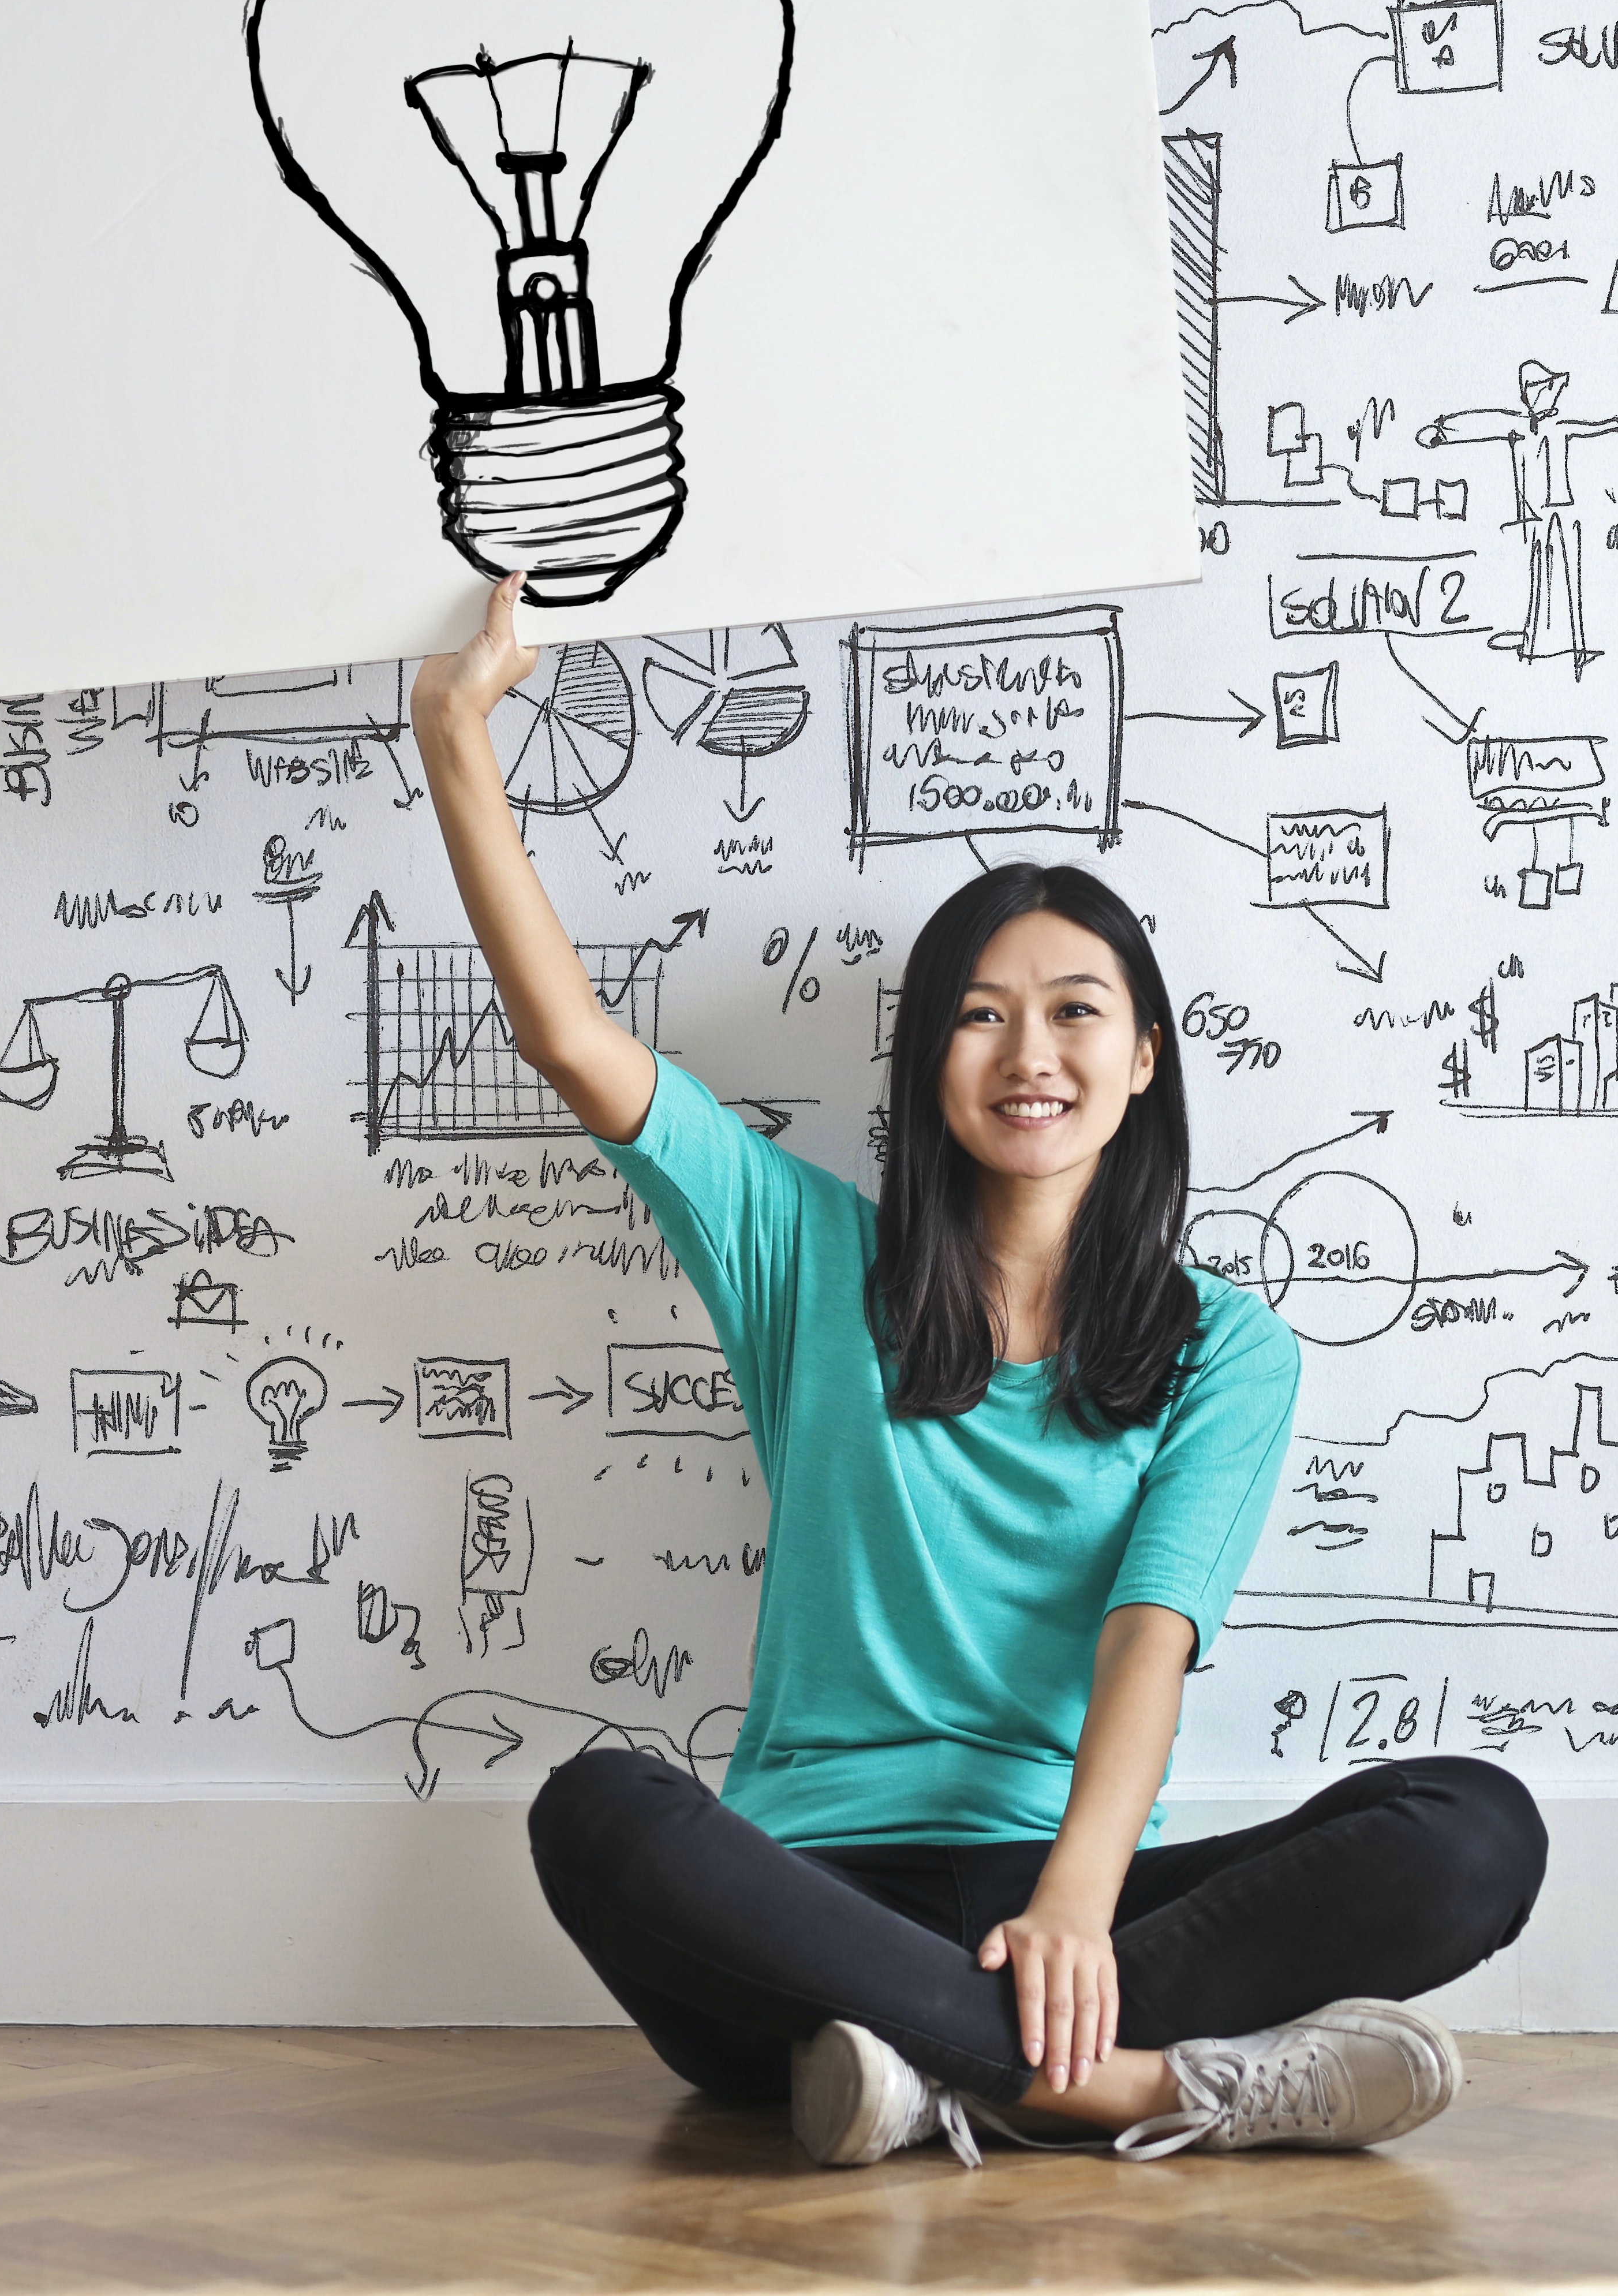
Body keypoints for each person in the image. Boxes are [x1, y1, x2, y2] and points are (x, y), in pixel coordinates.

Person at [409, 576, 1548, 2170]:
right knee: (599, 1812)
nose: (1030, 1055)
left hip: (1073, 1899)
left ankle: (916, 2071)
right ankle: (1131, 2092)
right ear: (925, 1066)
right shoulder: (801, 1256)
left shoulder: (1228, 1345)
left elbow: (1148, 1638)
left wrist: (1075, 1903)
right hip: (802, 1898)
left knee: (1470, 1829)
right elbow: (569, 1037)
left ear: (1143, 1055)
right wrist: (453, 730)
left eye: (1075, 1012)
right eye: (979, 1018)